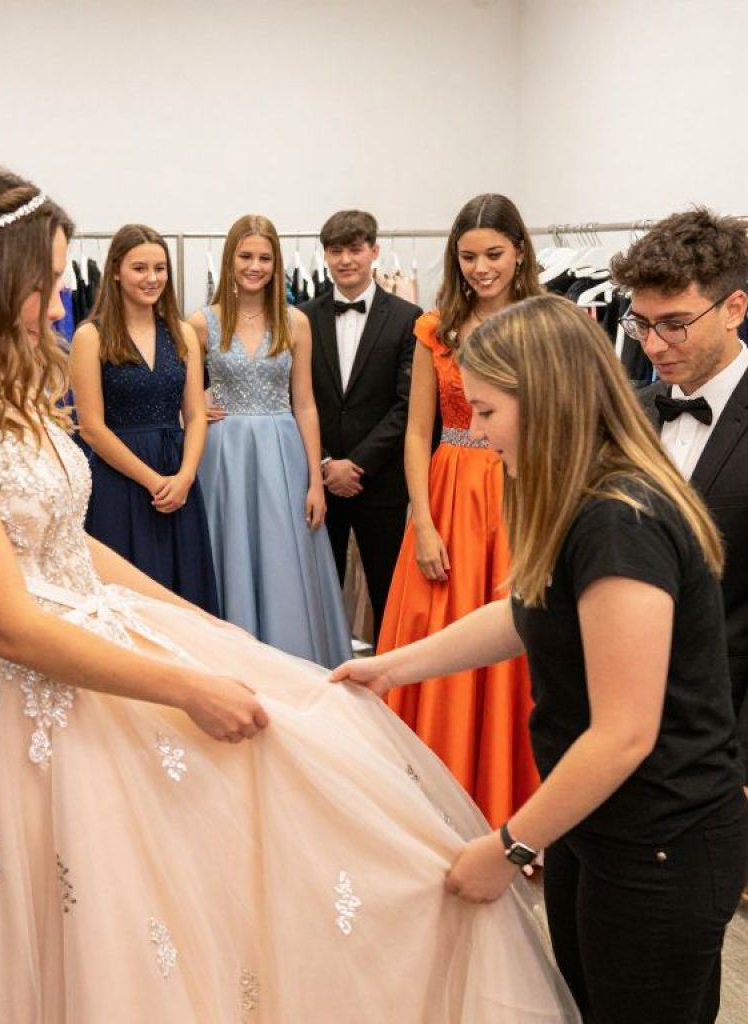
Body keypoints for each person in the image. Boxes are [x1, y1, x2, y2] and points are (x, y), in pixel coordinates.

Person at [0, 163, 578, 1022]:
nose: (55, 302)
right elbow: (9, 622)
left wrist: (204, 634)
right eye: (45, 280)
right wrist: (185, 683)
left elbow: (66, 547)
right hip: (29, 713)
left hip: (102, 667)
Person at [335, 294, 748, 1024]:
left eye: (489, 412)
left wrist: (508, 842)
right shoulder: (573, 495)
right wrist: (393, 667)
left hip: (660, 840)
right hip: (598, 824)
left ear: (548, 401)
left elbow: (624, 732)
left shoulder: (621, 518)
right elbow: (527, 611)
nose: (480, 433)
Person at [378, 194, 542, 824]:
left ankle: (511, 804)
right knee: (436, 638)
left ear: (520, 251)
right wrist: (422, 519)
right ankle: (434, 806)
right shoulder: (435, 328)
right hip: (446, 495)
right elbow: (418, 433)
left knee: (519, 637)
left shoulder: (544, 324)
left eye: (494, 254)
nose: (481, 268)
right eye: (469, 256)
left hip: (521, 492)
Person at [614, 209, 748, 822]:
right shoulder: (629, 414)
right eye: (640, 324)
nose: (652, 346)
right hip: (614, 734)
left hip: (719, 745)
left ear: (734, 308)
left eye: (674, 325)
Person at [188, 215, 351, 667]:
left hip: (283, 453)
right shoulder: (201, 323)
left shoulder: (295, 322)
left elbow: (305, 404)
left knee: (284, 560)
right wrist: (196, 405)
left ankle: (291, 664)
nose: (254, 266)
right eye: (246, 256)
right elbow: (176, 389)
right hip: (225, 456)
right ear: (229, 259)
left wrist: (316, 481)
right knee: (230, 555)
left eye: (264, 257)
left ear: (277, 263)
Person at [71, 224, 218, 613]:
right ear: (116, 270)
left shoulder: (182, 333)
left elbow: (196, 415)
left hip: (177, 475)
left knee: (182, 589)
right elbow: (91, 427)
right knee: (129, 593)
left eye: (160, 268)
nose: (152, 278)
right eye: (140, 268)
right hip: (119, 479)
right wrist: (153, 481)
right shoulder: (91, 336)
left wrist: (185, 476)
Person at [300, 210, 422, 642]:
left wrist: (358, 465)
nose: (346, 259)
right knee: (317, 594)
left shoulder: (410, 318)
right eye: (336, 250)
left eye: (355, 249)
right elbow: (295, 401)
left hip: (382, 482)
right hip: (318, 482)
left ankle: (393, 688)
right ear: (325, 255)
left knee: (390, 591)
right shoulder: (301, 318)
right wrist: (328, 464)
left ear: (374, 250)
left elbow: (409, 406)